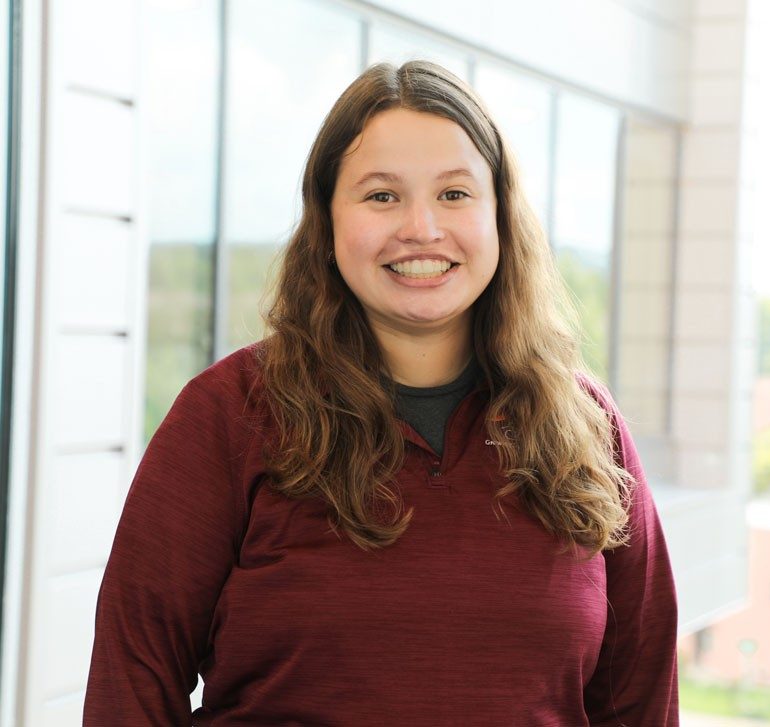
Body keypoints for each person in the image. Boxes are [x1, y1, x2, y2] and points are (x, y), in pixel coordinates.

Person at [84, 60, 678, 726]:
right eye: (381, 195)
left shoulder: (587, 427)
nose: (421, 228)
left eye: (455, 194)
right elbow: (131, 681)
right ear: (327, 220)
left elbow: (640, 696)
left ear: (502, 216)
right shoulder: (228, 416)